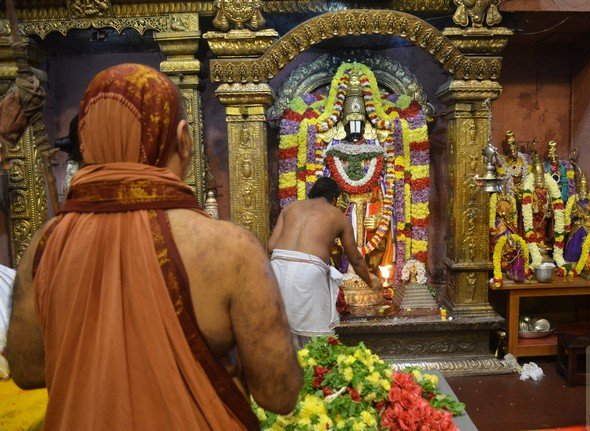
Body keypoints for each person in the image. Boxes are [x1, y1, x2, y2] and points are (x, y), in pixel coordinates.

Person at [6, 64, 302, 430]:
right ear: (183, 138)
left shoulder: (45, 244)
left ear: (85, 143)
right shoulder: (229, 249)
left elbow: (28, 370)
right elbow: (279, 393)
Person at [268, 177, 382, 348]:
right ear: (334, 199)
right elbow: (356, 259)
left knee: (282, 332)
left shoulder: (290, 207)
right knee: (315, 338)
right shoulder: (338, 216)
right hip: (310, 269)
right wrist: (371, 281)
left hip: (277, 266)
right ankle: (314, 370)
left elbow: (271, 246)